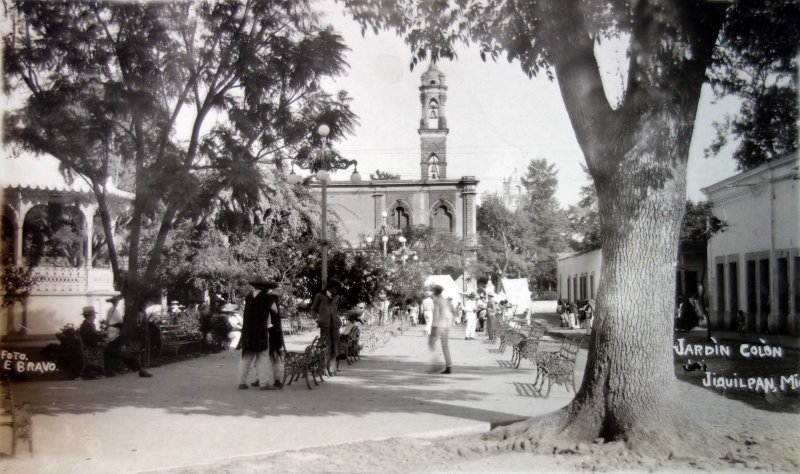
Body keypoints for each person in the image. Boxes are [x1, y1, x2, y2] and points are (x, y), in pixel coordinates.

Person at [237, 276, 277, 390]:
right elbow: (274, 309)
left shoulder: (248, 296)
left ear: (253, 286)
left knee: (246, 358)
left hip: (248, 331)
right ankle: (264, 383)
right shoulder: (266, 297)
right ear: (264, 286)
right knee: (262, 357)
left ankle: (241, 382)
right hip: (260, 331)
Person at [104, 295, 153, 378]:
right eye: (115, 302)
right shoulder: (114, 311)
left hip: (111, 333)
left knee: (120, 353)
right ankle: (139, 369)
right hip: (115, 334)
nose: (116, 303)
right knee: (123, 352)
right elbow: (119, 321)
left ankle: (137, 369)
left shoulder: (110, 310)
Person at [311, 278, 343, 376]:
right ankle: (323, 369)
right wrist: (317, 320)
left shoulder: (337, 297)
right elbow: (313, 309)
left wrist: (338, 318)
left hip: (335, 326)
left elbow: (336, 309)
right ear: (330, 288)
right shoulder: (320, 296)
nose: (337, 291)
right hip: (325, 326)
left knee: (335, 348)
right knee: (325, 347)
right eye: (335, 288)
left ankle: (332, 369)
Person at [429, 285, 454, 374]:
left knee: (432, 343)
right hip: (446, 325)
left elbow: (437, 314)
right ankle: (448, 366)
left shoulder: (436, 301)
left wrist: (434, 327)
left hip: (439, 325)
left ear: (435, 291)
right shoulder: (445, 300)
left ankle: (436, 364)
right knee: (445, 346)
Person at [79, 306, 105, 379]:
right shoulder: (85, 326)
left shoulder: (90, 324)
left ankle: (105, 370)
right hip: (90, 347)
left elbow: (95, 336)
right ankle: (102, 371)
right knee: (110, 349)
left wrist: (102, 340)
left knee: (110, 345)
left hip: (93, 345)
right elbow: (87, 340)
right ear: (88, 316)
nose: (95, 317)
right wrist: (99, 343)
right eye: (93, 315)